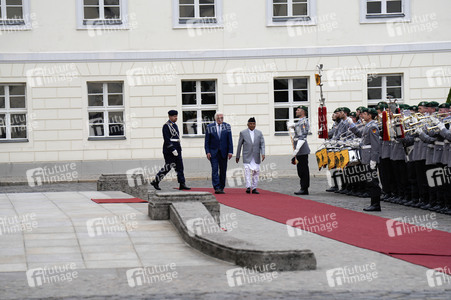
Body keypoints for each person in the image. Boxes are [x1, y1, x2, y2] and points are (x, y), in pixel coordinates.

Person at [350, 108, 382, 211]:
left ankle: (376, 204)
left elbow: (375, 145)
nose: (363, 115)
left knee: (373, 181)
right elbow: (362, 136)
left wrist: (373, 159)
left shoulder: (373, 126)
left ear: (370, 116)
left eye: (365, 114)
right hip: (366, 156)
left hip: (370, 157)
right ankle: (373, 203)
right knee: (369, 180)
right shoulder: (367, 126)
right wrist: (352, 126)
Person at [151, 110, 191, 191]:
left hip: (177, 148)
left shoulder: (175, 125)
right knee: (168, 167)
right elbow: (166, 139)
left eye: (176, 116)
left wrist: (177, 149)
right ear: (169, 116)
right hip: (169, 150)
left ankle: (182, 183)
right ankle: (156, 181)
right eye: (174, 116)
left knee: (180, 167)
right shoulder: (166, 126)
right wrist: (172, 149)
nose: (175, 117)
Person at [204, 112, 233, 194]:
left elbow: (229, 140)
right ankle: (216, 187)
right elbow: (207, 141)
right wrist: (207, 152)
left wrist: (230, 151)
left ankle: (221, 187)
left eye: (222, 118)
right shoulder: (210, 127)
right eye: (219, 118)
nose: (220, 119)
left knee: (223, 170)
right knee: (215, 170)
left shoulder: (227, 126)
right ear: (215, 118)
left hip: (224, 152)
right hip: (213, 152)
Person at [236, 117, 266, 194]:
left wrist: (263, 153)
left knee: (256, 171)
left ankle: (254, 187)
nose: (252, 125)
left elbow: (262, 144)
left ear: (255, 124)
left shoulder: (259, 133)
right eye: (251, 124)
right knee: (247, 171)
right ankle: (248, 187)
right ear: (248, 124)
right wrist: (237, 156)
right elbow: (239, 145)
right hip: (247, 155)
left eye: (254, 124)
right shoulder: (243, 133)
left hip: (256, 155)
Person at [288, 106, 310, 195]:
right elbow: (297, 129)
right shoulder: (300, 122)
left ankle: (304, 188)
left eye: (298, 110)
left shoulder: (304, 121)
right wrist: (292, 126)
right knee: (300, 170)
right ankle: (303, 187)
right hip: (298, 149)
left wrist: (296, 150)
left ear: (303, 112)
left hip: (302, 149)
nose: (296, 111)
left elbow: (303, 135)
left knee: (303, 170)